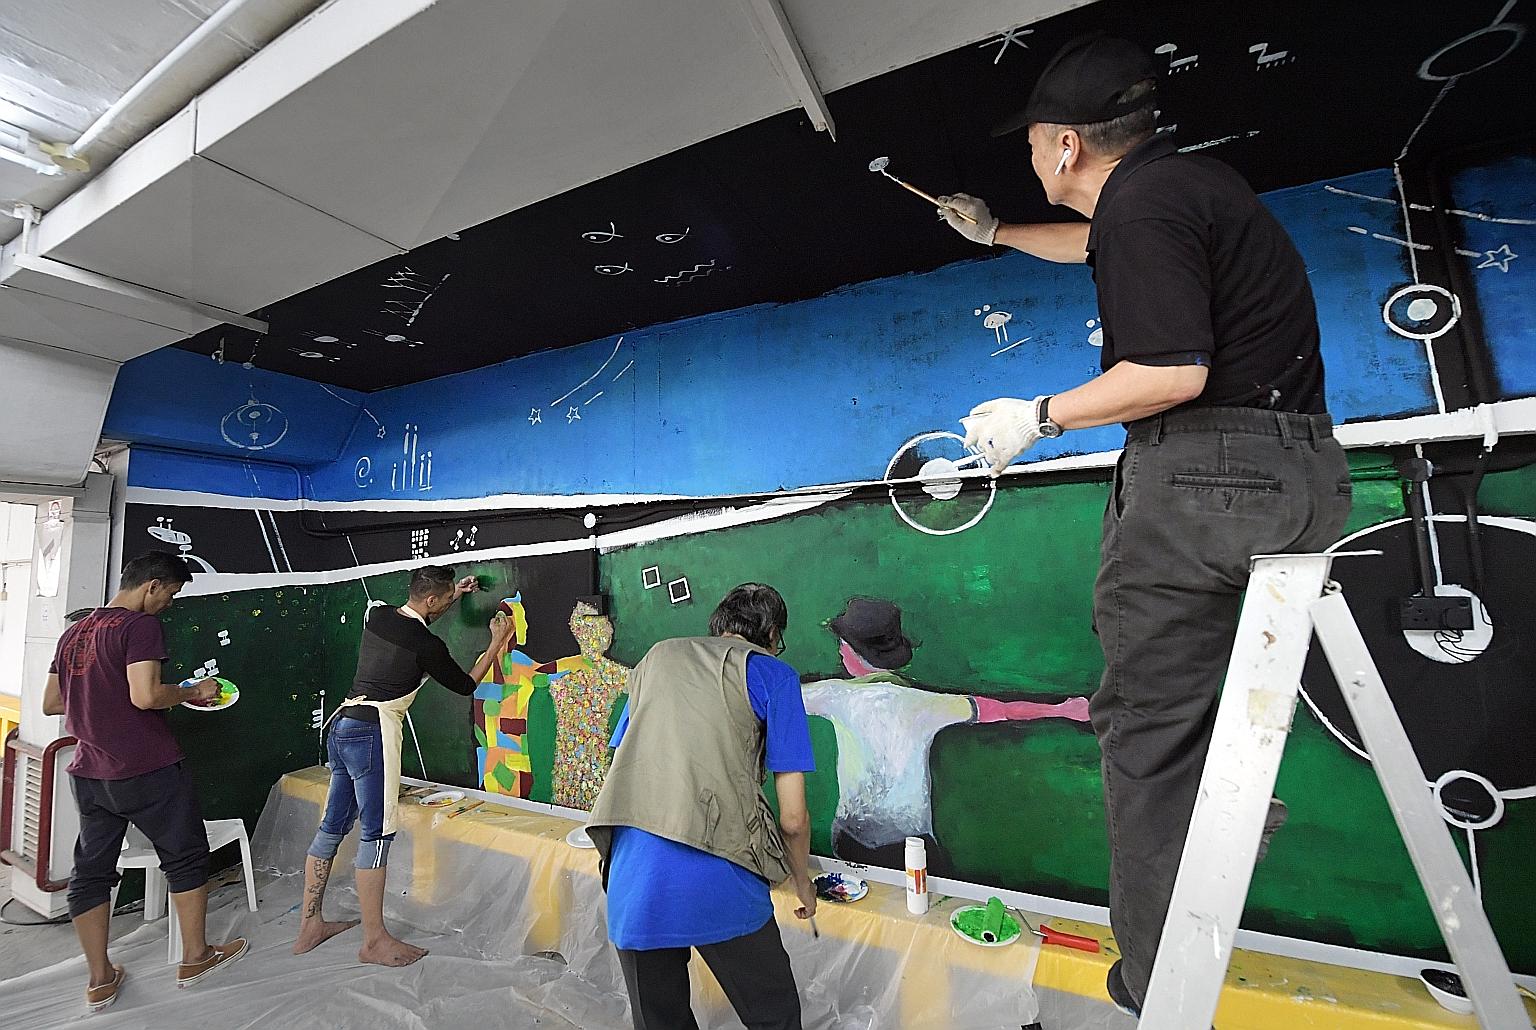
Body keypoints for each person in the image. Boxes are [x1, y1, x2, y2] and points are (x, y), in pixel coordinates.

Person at [936, 34, 1352, 1015]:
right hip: (1298, 475)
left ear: (1066, 146)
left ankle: (1159, 978)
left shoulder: (1146, 209)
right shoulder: (1182, 194)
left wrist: (1035, 416)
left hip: (1206, 477)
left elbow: (1171, 372)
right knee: (1204, 710)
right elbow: (1090, 243)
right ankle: (1230, 808)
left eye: (1034, 147)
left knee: (1147, 731)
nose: (1030, 162)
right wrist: (996, 230)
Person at [587, 583, 816, 1030]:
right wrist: (802, 882)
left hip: (632, 878)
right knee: (776, 1016)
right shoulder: (773, 674)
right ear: (771, 634)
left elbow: (626, 761)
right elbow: (792, 818)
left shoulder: (656, 660)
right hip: (721, 874)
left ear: (717, 625)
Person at [41, 551, 246, 1012]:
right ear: (152, 585)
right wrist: (195, 690)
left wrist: (98, 703)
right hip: (147, 768)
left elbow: (52, 702)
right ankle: (195, 957)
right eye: (170, 594)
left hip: (91, 773)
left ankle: (100, 979)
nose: (168, 605)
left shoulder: (76, 631)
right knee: (186, 857)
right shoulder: (140, 627)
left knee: (91, 873)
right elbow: (147, 695)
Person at [295, 565, 513, 965]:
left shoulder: (377, 615)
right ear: (431, 600)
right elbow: (467, 685)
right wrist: (496, 642)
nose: (448, 602)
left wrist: (456, 594)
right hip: (372, 735)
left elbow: (415, 622)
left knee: (332, 827)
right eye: (445, 598)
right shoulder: (427, 646)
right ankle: (374, 940)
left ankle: (310, 924)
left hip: (342, 727)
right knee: (377, 834)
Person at [803, 596, 1089, 867]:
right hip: (913, 844)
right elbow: (1002, 710)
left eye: (843, 644)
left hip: (852, 839)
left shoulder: (834, 695)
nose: (840, 650)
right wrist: (1061, 709)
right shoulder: (927, 704)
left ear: (855, 653)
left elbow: (772, 694)